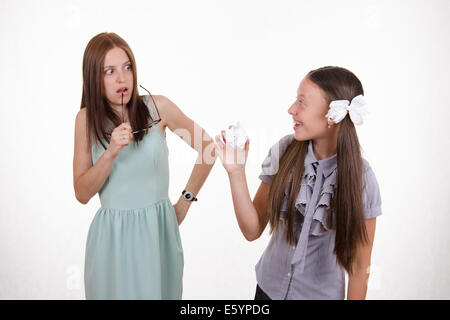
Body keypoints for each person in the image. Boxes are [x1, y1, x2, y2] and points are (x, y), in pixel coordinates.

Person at [215, 66, 382, 300]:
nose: (291, 109)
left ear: (332, 116)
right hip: (266, 292)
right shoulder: (284, 151)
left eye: (302, 102)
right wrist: (235, 172)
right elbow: (252, 230)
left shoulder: (362, 178)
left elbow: (359, 270)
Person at [73, 32, 216, 299]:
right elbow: (81, 193)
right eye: (109, 71)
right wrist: (111, 152)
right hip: (111, 241)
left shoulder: (158, 108)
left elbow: (208, 148)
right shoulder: (85, 121)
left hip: (158, 235)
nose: (122, 78)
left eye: (127, 67)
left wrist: (184, 203)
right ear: (94, 78)